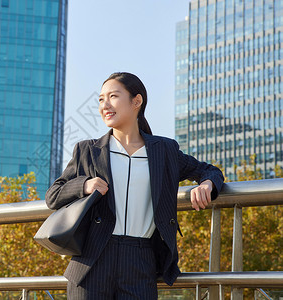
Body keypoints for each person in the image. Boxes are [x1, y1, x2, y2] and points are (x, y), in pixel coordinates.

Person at [45, 72, 224, 299]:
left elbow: (210, 170)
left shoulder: (164, 151)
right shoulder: (88, 151)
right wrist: (84, 185)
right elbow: (53, 195)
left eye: (113, 96)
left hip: (141, 260)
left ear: (136, 101)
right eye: (101, 99)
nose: (104, 105)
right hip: (93, 260)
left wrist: (206, 185)